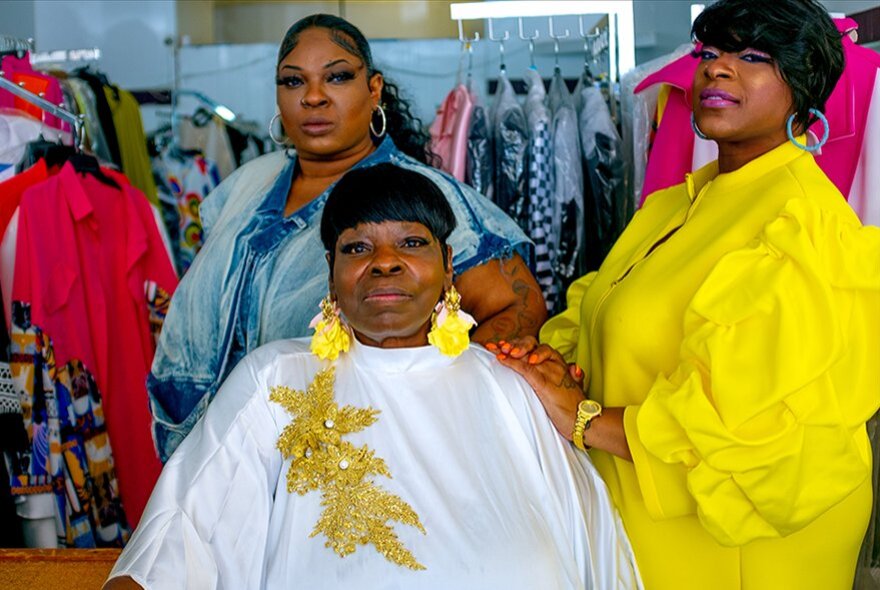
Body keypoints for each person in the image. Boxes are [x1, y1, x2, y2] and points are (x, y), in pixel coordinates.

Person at [102, 164, 640, 590]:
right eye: (357, 248)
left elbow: (594, 543)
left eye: (411, 243)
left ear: (449, 265)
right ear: (332, 273)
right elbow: (184, 526)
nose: (384, 262)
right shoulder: (276, 382)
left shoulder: (510, 385)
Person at [496, 1, 880, 588]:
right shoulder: (675, 205)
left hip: (740, 545)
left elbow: (744, 421)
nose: (717, 70)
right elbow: (614, 320)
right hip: (648, 512)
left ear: (804, 89)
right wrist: (565, 367)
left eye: (753, 57)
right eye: (710, 53)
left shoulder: (799, 223)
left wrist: (583, 419)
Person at [148, 14, 547, 463]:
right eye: (293, 82)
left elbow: (517, 303)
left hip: (334, 473)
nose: (313, 97)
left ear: (373, 89)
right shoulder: (244, 186)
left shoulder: (418, 196)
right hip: (199, 461)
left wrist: (438, 401)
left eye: (337, 77)